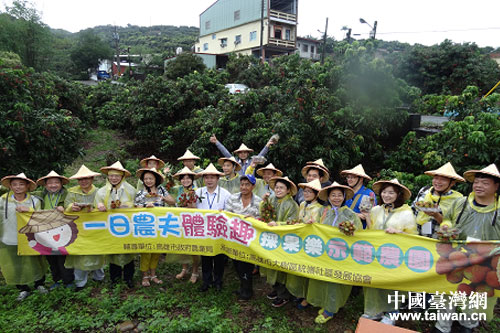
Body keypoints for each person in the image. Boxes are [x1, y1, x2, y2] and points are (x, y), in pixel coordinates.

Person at [432, 164, 500, 333]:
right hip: (457, 256)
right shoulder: (461, 203)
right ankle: (442, 327)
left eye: (485, 183)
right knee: (447, 292)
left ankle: (467, 325)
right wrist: (446, 227)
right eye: (476, 182)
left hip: (485, 261)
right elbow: (447, 220)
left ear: (496, 186)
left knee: (475, 294)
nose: (478, 186)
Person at [361, 178, 417, 326]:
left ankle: (392, 312)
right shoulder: (376, 209)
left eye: (391, 192)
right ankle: (374, 310)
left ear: (398, 194)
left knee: (391, 284)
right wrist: (367, 216)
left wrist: (398, 232)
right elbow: (370, 230)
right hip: (376, 254)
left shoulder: (406, 212)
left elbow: (413, 237)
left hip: (396, 256)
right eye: (384, 192)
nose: (387, 195)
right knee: (375, 282)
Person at [307, 182, 362, 323]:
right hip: (323, 253)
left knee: (335, 283)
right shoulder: (323, 211)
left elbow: (359, 233)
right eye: (333, 195)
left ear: (344, 197)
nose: (336, 198)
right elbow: (316, 226)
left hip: (340, 255)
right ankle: (325, 303)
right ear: (328, 197)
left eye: (339, 195)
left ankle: (330, 310)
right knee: (322, 278)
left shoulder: (350, 214)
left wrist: (349, 230)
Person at [0, 173, 47, 301]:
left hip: (30, 238)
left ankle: (39, 283)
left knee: (35, 260)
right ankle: (23, 288)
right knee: (15, 263)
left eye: (21, 184)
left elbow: (40, 217)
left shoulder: (34, 201)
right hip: (9, 237)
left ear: (27, 186)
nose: (18, 187)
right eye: (14, 184)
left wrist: (28, 210)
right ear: (10, 186)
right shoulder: (3, 200)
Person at [95, 161, 136, 288]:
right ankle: (115, 279)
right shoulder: (101, 192)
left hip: (127, 226)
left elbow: (137, 204)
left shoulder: (130, 190)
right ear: (107, 176)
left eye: (116, 176)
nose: (114, 178)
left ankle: (129, 278)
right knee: (113, 251)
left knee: (128, 251)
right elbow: (96, 206)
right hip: (110, 227)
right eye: (111, 175)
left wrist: (126, 206)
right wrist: (99, 205)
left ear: (122, 176)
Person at [64, 165, 105, 291]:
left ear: (92, 179)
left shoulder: (99, 191)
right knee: (80, 253)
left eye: (86, 178)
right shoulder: (72, 192)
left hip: (95, 227)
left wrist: (98, 208)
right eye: (81, 179)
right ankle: (80, 282)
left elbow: (104, 205)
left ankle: (99, 277)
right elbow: (66, 206)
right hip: (78, 227)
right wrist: (72, 207)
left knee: (96, 251)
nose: (84, 181)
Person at [287, 179, 324, 309]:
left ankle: (308, 297)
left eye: (309, 192)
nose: (306, 194)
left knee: (309, 270)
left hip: (311, 244)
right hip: (300, 240)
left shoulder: (320, 209)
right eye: (305, 191)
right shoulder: (302, 204)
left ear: (316, 194)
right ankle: (300, 293)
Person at [195, 163, 231, 292]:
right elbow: (191, 209)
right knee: (205, 257)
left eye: (212, 177)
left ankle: (218, 281)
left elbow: (230, 211)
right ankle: (206, 281)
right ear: (203, 179)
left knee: (219, 258)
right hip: (203, 230)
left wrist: (224, 212)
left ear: (217, 179)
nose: (209, 180)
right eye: (207, 177)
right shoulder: (198, 192)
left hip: (219, 231)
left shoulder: (225, 194)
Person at [225, 174, 262, 300]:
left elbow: (262, 220)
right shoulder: (233, 198)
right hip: (234, 238)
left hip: (249, 240)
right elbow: (227, 214)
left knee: (246, 265)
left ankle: (247, 291)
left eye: (247, 184)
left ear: (253, 186)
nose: (244, 187)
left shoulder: (259, 202)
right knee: (236, 263)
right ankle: (243, 287)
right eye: (242, 184)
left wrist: (255, 219)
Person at [35, 171, 74, 289]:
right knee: (51, 256)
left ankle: (68, 281)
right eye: (50, 183)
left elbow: (73, 206)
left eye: (56, 182)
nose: (53, 185)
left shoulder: (68, 194)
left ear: (61, 184)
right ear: (45, 185)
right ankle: (56, 280)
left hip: (63, 230)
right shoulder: (40, 196)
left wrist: (66, 208)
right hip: (45, 231)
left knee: (63, 256)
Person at [265, 176, 299, 307]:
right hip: (271, 238)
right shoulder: (271, 199)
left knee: (281, 267)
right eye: (277, 187)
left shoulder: (292, 205)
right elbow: (265, 213)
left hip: (285, 240)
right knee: (271, 265)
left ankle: (284, 295)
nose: (278, 190)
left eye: (281, 188)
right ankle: (276, 288)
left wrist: (278, 224)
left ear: (288, 190)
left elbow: (293, 223)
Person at [134, 168, 169, 287]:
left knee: (156, 249)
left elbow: (172, 201)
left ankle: (153, 274)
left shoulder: (161, 190)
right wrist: (145, 205)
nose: (148, 181)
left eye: (151, 178)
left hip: (160, 224)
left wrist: (163, 197)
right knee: (146, 250)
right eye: (146, 179)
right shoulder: (140, 192)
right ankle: (145, 275)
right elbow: (135, 207)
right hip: (145, 225)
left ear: (156, 179)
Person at [412, 162, 464, 238]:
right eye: (436, 178)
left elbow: (456, 227)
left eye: (443, 179)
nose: (438, 182)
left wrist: (436, 215)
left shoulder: (457, 200)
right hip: (418, 238)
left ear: (452, 183)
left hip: (438, 243)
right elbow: (412, 211)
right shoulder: (424, 191)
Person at [168, 166, 200, 284]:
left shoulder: (197, 191)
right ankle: (184, 268)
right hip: (180, 221)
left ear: (192, 179)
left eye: (188, 178)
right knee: (182, 246)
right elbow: (170, 198)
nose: (185, 180)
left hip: (193, 222)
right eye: (183, 178)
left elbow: (197, 207)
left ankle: (195, 271)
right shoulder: (177, 190)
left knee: (194, 248)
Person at [210, 134, 276, 175]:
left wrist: (267, 145)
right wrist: (216, 142)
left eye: (245, 152)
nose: (243, 154)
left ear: (248, 153)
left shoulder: (252, 161)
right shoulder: (235, 161)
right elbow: (225, 152)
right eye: (241, 152)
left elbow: (261, 155)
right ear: (238, 154)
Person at [341, 164, 377, 229]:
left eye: (353, 177)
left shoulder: (369, 194)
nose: (349, 179)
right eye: (348, 177)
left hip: (361, 233)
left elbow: (372, 215)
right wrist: (356, 215)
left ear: (361, 179)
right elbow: (340, 210)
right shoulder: (345, 192)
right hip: (345, 230)